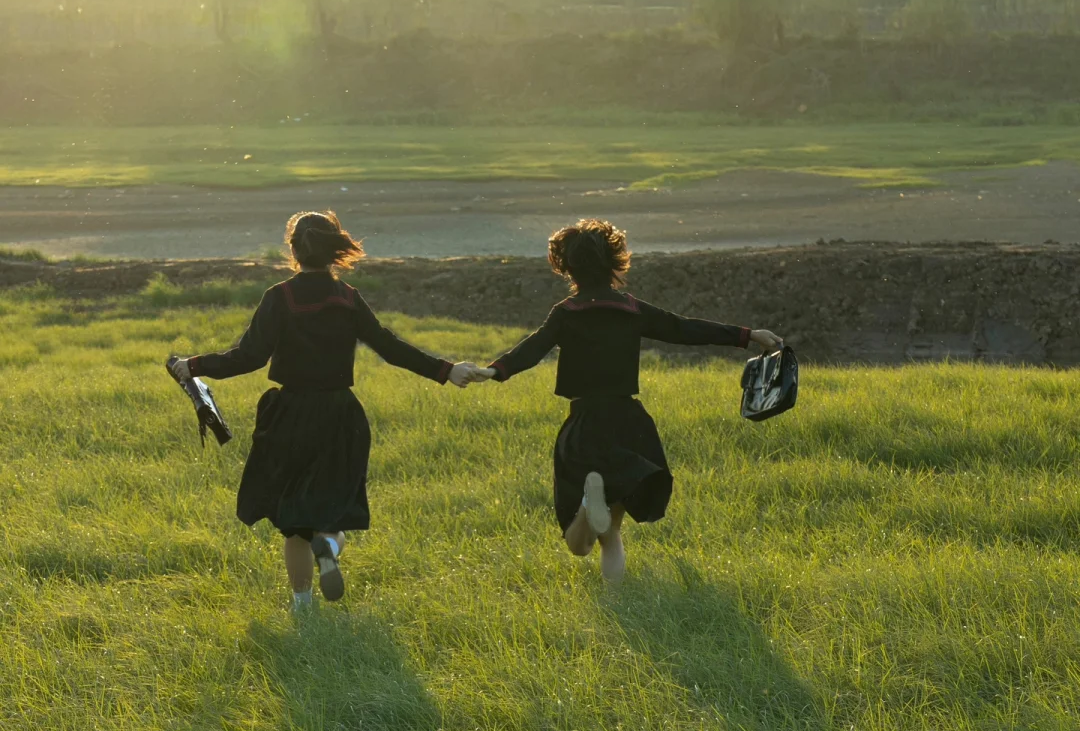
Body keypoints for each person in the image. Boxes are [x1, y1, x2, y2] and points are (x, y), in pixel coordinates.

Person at [168, 209, 478, 612]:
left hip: (289, 417)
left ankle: (302, 608)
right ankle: (329, 545)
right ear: (335, 249)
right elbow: (389, 346)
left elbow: (248, 358)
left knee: (293, 524)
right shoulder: (348, 298)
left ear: (293, 250)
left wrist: (193, 365)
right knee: (332, 510)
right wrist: (447, 370)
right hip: (340, 417)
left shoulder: (279, 297)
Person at [463, 218, 782, 583]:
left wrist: (495, 370)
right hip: (630, 424)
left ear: (566, 266)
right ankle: (619, 595)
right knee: (611, 532)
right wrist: (748, 335)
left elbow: (532, 349)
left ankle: (586, 504)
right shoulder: (632, 310)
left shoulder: (566, 313)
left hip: (585, 425)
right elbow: (686, 329)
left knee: (578, 544)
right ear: (615, 261)